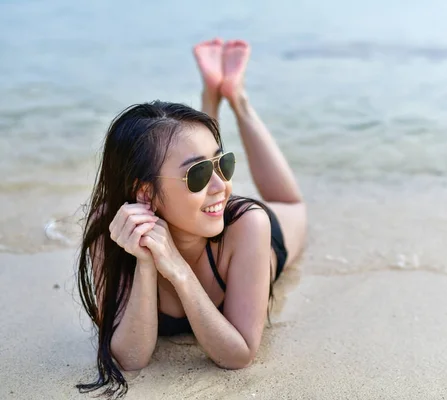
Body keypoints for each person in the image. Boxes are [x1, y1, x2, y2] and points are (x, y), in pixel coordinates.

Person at [75, 38, 307, 398]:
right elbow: (131, 359)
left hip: (239, 233)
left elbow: (239, 354)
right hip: (186, 215)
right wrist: (148, 263)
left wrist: (179, 271)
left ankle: (236, 98)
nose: (223, 185)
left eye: (223, 164)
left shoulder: (249, 224)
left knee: (290, 203)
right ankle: (215, 97)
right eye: (199, 174)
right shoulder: (111, 228)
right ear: (144, 192)